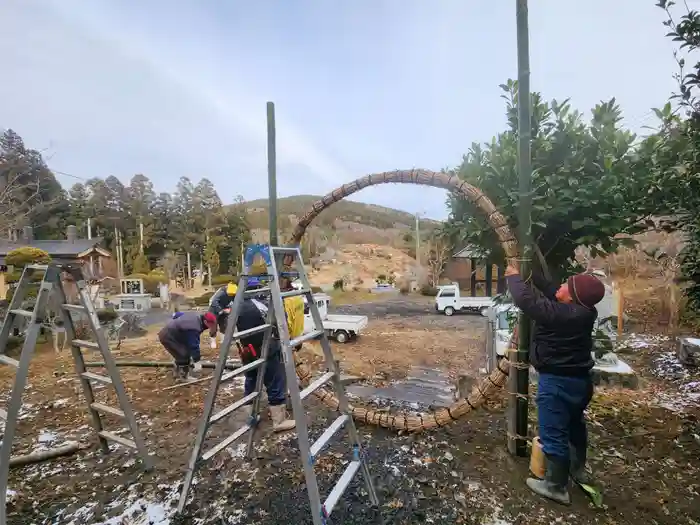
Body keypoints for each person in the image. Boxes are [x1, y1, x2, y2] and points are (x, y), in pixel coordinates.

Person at [505, 263, 605, 505]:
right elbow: (552, 291)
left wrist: (514, 278)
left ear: (570, 297)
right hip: (579, 383)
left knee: (553, 433)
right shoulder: (582, 311)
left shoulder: (562, 314)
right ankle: (577, 468)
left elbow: (529, 303)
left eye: (566, 286)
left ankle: (555, 486)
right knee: (574, 427)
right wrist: (533, 274)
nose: (559, 286)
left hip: (557, 384)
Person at [236, 292, 296, 432]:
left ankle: (251, 415)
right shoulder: (265, 303)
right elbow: (281, 323)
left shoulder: (237, 305)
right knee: (275, 381)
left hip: (247, 350)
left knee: (251, 379)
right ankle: (279, 421)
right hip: (267, 348)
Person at [158, 311, 218, 382]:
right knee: (184, 354)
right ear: (205, 321)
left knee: (181, 352)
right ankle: (184, 377)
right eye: (210, 324)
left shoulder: (197, 317)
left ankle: (177, 372)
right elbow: (194, 345)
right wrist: (197, 361)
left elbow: (178, 314)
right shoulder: (193, 327)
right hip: (168, 336)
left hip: (174, 334)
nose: (210, 327)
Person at [208, 282, 238, 347]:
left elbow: (235, 302)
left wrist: (231, 309)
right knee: (213, 325)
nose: (231, 295)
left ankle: (223, 340)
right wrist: (221, 310)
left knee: (224, 324)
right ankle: (213, 341)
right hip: (214, 308)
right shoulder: (221, 292)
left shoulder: (234, 293)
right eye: (230, 294)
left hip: (225, 307)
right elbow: (214, 302)